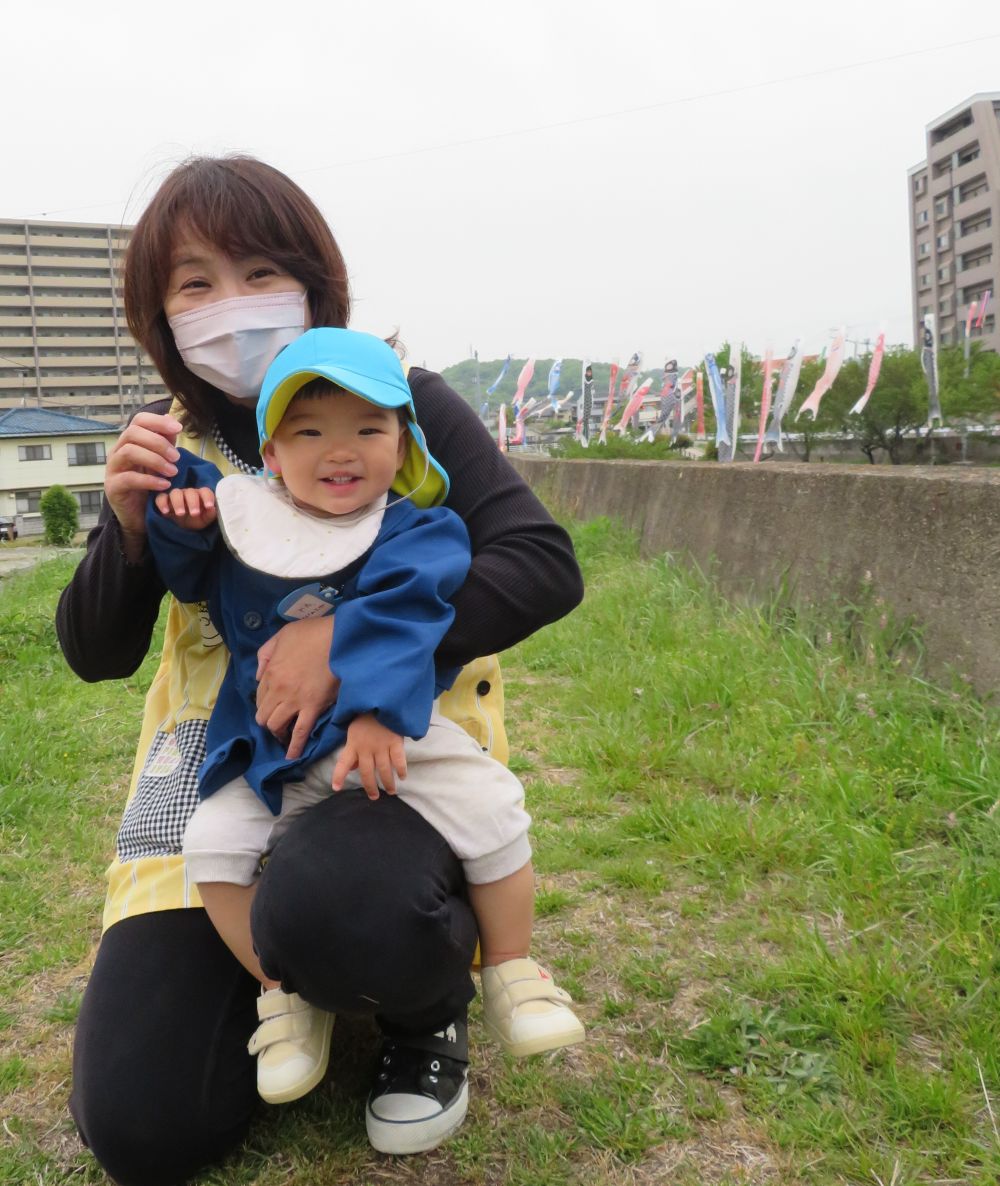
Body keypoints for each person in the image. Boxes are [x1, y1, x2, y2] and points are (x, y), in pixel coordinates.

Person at [55, 155, 584, 1186]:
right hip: (220, 764)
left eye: (259, 272)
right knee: (144, 1126)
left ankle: (426, 1010)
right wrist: (126, 528)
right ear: (161, 316)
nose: (231, 306)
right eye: (195, 283)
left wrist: (341, 643)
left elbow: (539, 564)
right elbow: (95, 653)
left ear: (312, 281)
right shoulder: (177, 449)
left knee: (348, 893)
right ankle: (292, 987)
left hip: (380, 755)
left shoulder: (401, 402)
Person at [146, 326, 585, 1109]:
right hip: (272, 747)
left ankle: (513, 970)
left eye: (368, 429)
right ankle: (287, 994)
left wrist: (377, 709)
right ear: (272, 454)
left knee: (491, 810)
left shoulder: (416, 528)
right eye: (309, 431)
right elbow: (196, 580)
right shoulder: (247, 523)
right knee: (212, 847)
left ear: (405, 443)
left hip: (390, 731)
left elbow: (408, 615)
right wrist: (177, 519)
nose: (339, 451)